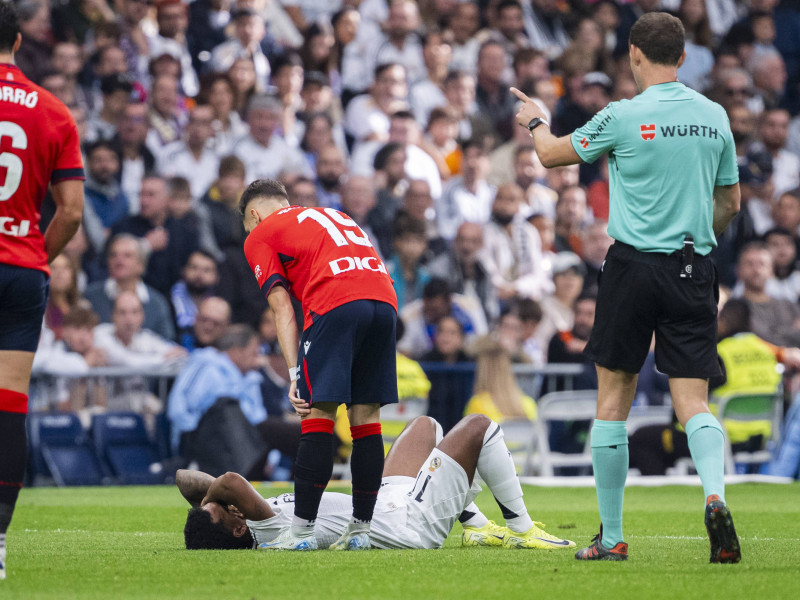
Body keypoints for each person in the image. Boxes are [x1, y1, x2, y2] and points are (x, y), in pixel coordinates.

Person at [511, 12, 742, 563]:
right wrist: (702, 242)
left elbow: (550, 156)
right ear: (683, 58)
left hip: (633, 268)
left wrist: (534, 119)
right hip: (694, 267)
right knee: (694, 403)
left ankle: (611, 536)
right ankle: (714, 494)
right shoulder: (715, 117)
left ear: (634, 54)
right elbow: (731, 203)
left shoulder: (622, 115)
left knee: (613, 401)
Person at [240, 179, 398, 551]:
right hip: (384, 302)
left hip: (336, 301)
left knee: (317, 414)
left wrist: (296, 374)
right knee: (365, 417)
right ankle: (360, 531)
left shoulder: (261, 233)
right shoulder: (333, 215)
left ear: (254, 214)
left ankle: (300, 536)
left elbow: (282, 309)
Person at [178, 414, 574, 551]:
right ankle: (522, 529)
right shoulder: (268, 531)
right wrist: (213, 499)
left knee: (425, 428)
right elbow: (227, 481)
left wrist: (205, 504)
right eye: (224, 511)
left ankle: (475, 526)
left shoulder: (251, 517)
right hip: (410, 525)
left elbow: (186, 480)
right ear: (238, 527)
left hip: (386, 503)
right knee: (479, 427)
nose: (227, 503)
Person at [0, 3, 85, 578]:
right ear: (19, 39)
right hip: (21, 271)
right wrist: (36, 257)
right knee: (8, 404)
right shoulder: (53, 111)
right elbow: (72, 213)